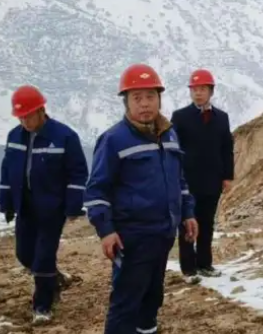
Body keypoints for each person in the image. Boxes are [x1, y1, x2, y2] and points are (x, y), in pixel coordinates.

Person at [84, 63, 199, 334]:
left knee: (152, 297)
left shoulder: (169, 134)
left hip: (164, 233)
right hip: (132, 237)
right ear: (126, 102)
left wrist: (187, 213)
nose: (145, 104)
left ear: (159, 98)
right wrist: (106, 230)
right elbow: (96, 191)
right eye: (137, 98)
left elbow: (179, 180)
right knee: (126, 302)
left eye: (150, 96)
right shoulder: (114, 139)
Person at [0, 84, 89, 323]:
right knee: (24, 255)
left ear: (41, 110)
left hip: (52, 208)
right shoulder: (14, 136)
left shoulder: (65, 137)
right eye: (20, 117)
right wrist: (6, 202)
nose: (24, 121)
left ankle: (43, 306)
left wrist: (73, 205)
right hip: (25, 207)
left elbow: (78, 172)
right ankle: (54, 279)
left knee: (43, 258)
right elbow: (7, 171)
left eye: (28, 115)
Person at [171, 68, 234, 281]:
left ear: (211, 91)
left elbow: (227, 148)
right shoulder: (180, 117)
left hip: (213, 180)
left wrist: (227, 176)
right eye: (194, 89)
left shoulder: (222, 118)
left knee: (207, 223)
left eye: (202, 89)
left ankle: (205, 264)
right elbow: (174, 149)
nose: (198, 93)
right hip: (187, 180)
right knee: (188, 223)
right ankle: (188, 269)